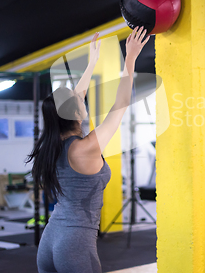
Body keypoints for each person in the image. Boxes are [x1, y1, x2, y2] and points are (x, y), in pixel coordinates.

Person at [28, 27, 150, 273]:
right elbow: (122, 103)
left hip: (50, 239)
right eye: (78, 99)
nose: (82, 97)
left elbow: (77, 95)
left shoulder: (51, 147)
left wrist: (92, 62)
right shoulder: (86, 148)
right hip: (74, 245)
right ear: (74, 113)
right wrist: (130, 58)